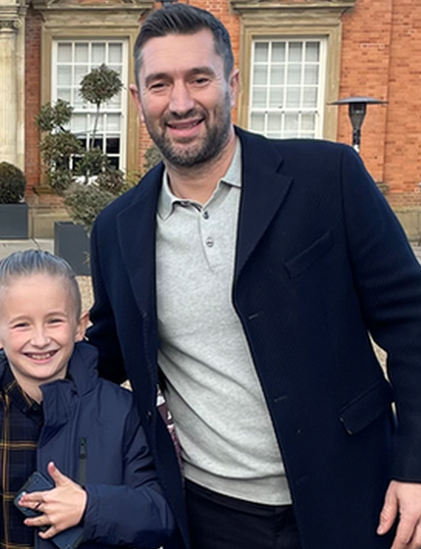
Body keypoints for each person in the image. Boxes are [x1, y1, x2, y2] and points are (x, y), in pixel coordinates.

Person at [85, 5, 421, 549]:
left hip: (354, 496)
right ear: (137, 98)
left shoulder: (328, 179)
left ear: (232, 83)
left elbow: (413, 323)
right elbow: (109, 350)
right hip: (211, 515)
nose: (181, 102)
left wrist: (415, 467)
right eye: (160, 84)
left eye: (199, 78)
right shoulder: (116, 229)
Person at [0, 250, 173, 549]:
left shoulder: (121, 411)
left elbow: (160, 515)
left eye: (54, 321)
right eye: (21, 325)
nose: (40, 339)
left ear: (80, 326)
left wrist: (90, 506)